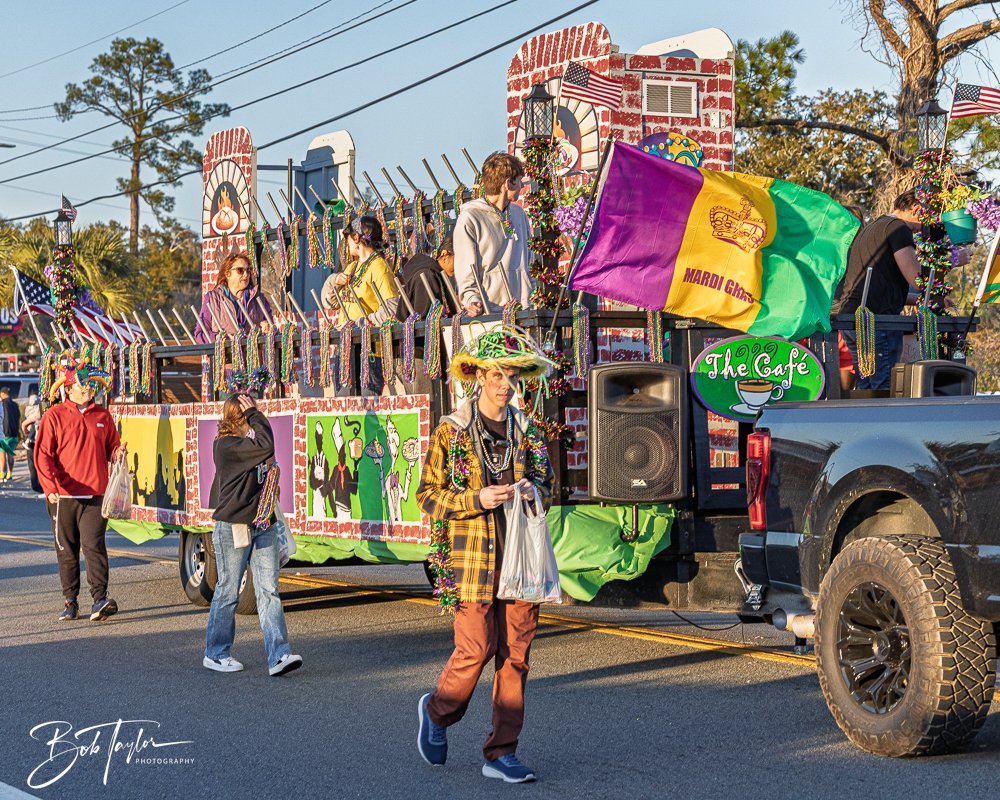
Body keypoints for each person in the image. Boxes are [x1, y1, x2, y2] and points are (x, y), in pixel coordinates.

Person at [415, 328, 555, 784]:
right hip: (472, 561)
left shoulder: (525, 428)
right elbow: (427, 496)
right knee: (476, 649)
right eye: (497, 373)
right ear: (477, 375)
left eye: (511, 375)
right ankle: (437, 711)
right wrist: (477, 498)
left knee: (515, 655)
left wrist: (535, 490)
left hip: (520, 560)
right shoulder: (451, 430)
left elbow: (548, 485)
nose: (505, 383)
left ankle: (501, 753)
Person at [204, 393, 302, 676]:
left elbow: (265, 452)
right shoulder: (226, 446)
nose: (254, 419)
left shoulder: (246, 444)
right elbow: (267, 443)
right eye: (249, 414)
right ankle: (216, 653)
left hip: (263, 523)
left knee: (268, 589)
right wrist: (256, 416)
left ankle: (279, 655)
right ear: (240, 417)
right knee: (228, 590)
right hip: (234, 526)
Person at [834, 189, 969, 390]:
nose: (924, 229)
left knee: (867, 385)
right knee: (884, 385)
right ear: (916, 209)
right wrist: (953, 260)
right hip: (875, 322)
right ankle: (884, 421)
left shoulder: (876, 226)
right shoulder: (898, 228)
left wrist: (925, 300)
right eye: (929, 219)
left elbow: (880, 285)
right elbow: (916, 278)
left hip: (852, 318)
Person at [35, 359, 120, 622]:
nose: (90, 390)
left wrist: (119, 453)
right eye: (84, 386)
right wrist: (50, 487)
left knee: (94, 546)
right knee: (67, 551)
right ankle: (70, 601)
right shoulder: (54, 416)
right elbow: (43, 456)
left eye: (92, 387)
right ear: (69, 389)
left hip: (95, 494)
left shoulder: (103, 416)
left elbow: (111, 448)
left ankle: (100, 599)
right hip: (63, 496)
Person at [321, 215, 399, 394]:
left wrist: (360, 324)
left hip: (369, 352)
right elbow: (330, 303)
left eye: (348, 238)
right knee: (344, 405)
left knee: (367, 406)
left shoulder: (379, 267)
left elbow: (391, 309)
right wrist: (334, 281)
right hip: (346, 348)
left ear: (356, 238)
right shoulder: (351, 267)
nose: (347, 244)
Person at [454, 153, 534, 315]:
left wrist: (533, 296)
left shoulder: (519, 214)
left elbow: (530, 261)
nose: (522, 187)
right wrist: (471, 298)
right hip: (491, 312)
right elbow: (466, 267)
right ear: (507, 183)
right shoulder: (470, 218)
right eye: (519, 181)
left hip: (524, 310)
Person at [195, 251, 272, 343]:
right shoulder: (213, 299)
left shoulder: (259, 298)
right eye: (240, 270)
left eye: (248, 270)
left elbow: (272, 330)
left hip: (253, 356)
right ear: (227, 274)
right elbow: (200, 334)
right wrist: (218, 338)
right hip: (225, 356)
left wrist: (267, 330)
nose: (246, 274)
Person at [396, 234, 459, 320]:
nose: (461, 264)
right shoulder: (427, 277)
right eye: (460, 259)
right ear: (444, 255)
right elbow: (426, 323)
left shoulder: (436, 276)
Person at [21, 393, 42, 493]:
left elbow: (24, 424)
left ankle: (36, 485)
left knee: (33, 464)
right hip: (39, 440)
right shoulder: (40, 409)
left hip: (32, 441)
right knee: (39, 464)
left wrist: (26, 432)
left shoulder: (30, 410)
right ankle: (39, 485)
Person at [0, 386, 20, 481]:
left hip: (5, 433)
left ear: (3, 394)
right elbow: (18, 418)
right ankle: (10, 474)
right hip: (14, 433)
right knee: (10, 454)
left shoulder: (2, 404)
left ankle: (2, 474)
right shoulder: (15, 405)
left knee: (2, 455)